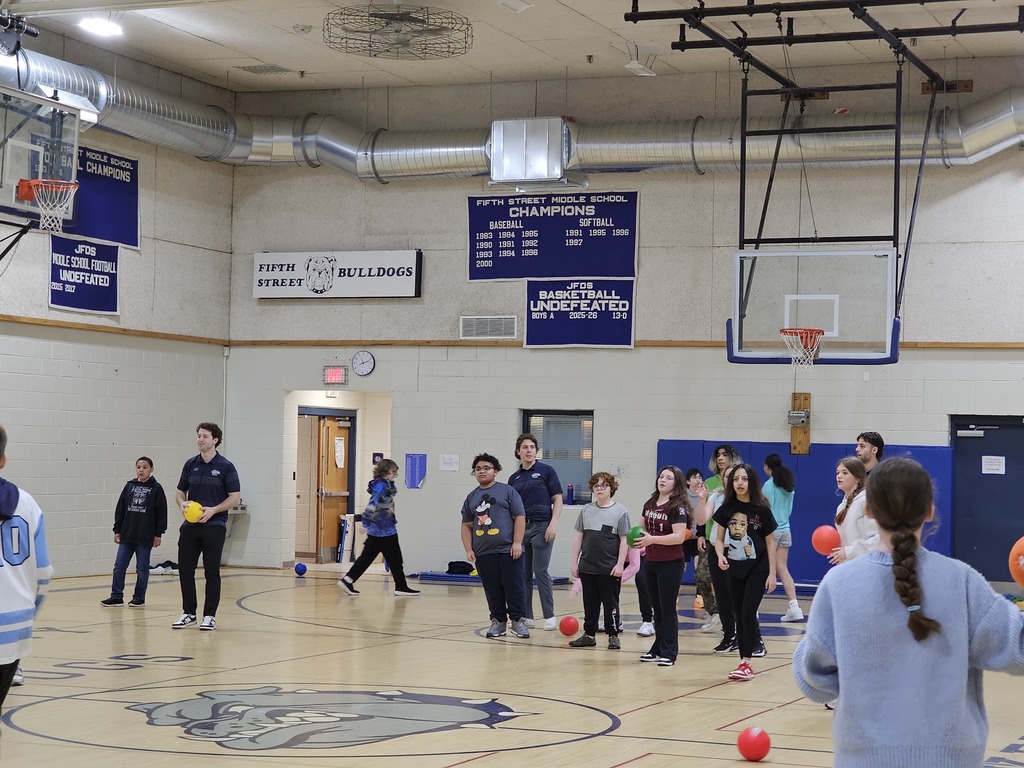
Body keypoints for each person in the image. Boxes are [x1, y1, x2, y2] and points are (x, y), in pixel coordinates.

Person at [793, 458, 1024, 766]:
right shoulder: (962, 580)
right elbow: (1018, 647)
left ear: (869, 510)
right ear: (929, 511)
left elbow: (813, 678)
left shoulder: (838, 585)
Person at [0, 425, 53, 715]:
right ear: (3, 459)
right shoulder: (28, 503)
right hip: (15, 628)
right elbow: (43, 573)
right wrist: (28, 615)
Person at [173, 422, 241, 632]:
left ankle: (209, 615)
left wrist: (214, 510)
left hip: (214, 526)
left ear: (215, 440)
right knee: (185, 570)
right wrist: (182, 503)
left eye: (204, 436)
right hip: (190, 527)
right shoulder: (190, 464)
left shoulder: (226, 466)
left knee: (212, 571)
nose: (200, 439)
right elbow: (179, 492)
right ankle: (189, 613)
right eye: (198, 436)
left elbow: (235, 498)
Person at [713, 463, 776, 681]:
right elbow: (719, 539)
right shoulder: (726, 508)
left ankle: (746, 662)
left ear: (751, 482)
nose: (740, 483)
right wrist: (721, 555)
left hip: (758, 568)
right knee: (738, 614)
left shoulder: (762, 509)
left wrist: (772, 573)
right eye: (736, 479)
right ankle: (742, 661)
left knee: (748, 613)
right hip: (734, 568)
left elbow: (770, 543)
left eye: (744, 479)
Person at [460, 453, 530, 640]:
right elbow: (466, 525)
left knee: (514, 586)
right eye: (478, 469)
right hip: (484, 552)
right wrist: (469, 548)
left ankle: (518, 621)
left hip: (508, 549)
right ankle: (498, 621)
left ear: (496, 471)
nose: (482, 471)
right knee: (492, 589)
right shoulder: (471, 497)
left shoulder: (507, 491)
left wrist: (517, 542)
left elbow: (520, 517)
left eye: (486, 468)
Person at [633, 465, 691, 667]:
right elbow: (641, 527)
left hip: (671, 564)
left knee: (667, 609)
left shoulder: (677, 506)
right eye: (661, 476)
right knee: (656, 608)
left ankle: (670, 652)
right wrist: (637, 539)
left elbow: (678, 537)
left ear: (676, 483)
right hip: (651, 562)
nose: (663, 480)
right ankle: (657, 648)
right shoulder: (650, 503)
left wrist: (652, 540)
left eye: (668, 477)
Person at [338, 458, 420, 597]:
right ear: (386, 471)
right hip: (385, 529)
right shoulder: (381, 486)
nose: (394, 475)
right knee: (395, 559)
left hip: (379, 529)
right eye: (393, 472)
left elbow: (392, 492)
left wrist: (390, 481)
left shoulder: (383, 484)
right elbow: (372, 504)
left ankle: (348, 580)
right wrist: (365, 523)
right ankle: (401, 586)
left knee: (367, 557)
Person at [507, 434, 563, 631]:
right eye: (525, 447)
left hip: (542, 526)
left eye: (532, 447)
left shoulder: (546, 471)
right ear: (518, 452)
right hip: (522, 530)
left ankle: (549, 615)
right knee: (523, 573)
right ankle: (527, 615)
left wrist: (553, 523)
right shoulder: (514, 478)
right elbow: (511, 509)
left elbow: (557, 498)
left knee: (540, 571)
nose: (529, 450)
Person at [568, 472, 629, 650]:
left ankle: (613, 634)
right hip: (587, 567)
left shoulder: (620, 511)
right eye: (596, 486)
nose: (599, 488)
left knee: (611, 603)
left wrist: (619, 564)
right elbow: (578, 537)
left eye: (604, 485)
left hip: (609, 568)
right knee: (590, 603)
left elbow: (624, 540)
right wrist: (574, 563)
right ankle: (589, 634)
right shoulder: (586, 510)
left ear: (611, 488)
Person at [101, 456, 168, 608]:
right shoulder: (129, 486)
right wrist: (117, 529)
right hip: (127, 534)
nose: (141, 470)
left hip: (145, 536)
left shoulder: (156, 488)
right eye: (138, 467)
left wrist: (158, 534)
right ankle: (116, 596)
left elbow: (161, 513)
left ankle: (139, 597)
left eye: (145, 467)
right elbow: (120, 509)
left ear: (151, 469)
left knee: (142, 568)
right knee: (119, 566)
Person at [763, 454, 802, 622]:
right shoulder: (788, 486)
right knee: (782, 569)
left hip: (771, 532)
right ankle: (795, 608)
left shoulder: (768, 485)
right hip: (786, 530)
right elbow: (790, 510)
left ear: (766, 467)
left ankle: (752, 609)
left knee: (761, 569)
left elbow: (765, 510)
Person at [686, 468, 718, 632]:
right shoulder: (709, 488)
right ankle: (713, 611)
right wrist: (699, 534)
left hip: (731, 543)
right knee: (702, 575)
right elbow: (702, 516)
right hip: (706, 539)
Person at [831, 457, 879, 565]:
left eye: (845, 473)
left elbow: (878, 539)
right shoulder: (841, 507)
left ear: (857, 478)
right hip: (846, 567)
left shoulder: (865, 502)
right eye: (837, 472)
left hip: (864, 566)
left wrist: (850, 551)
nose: (839, 476)